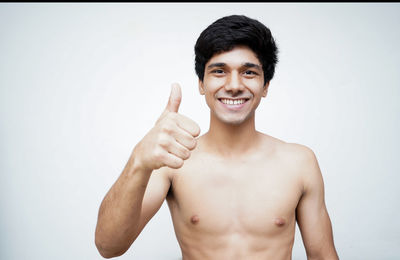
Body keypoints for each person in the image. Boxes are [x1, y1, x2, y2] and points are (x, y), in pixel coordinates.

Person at [95, 15, 339, 259]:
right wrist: (138, 160)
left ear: (265, 86)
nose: (234, 85)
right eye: (219, 71)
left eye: (249, 72)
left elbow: (322, 255)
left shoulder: (299, 162)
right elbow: (108, 246)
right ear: (201, 83)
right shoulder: (174, 160)